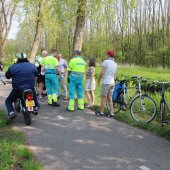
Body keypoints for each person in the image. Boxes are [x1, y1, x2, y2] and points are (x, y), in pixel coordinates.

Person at [5, 53, 39, 124]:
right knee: (33, 92)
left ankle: (11, 113)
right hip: (30, 88)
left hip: (17, 89)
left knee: (8, 101)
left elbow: (7, 76)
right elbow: (37, 73)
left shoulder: (13, 67)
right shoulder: (32, 66)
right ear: (26, 58)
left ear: (18, 59)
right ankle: (35, 107)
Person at [95, 50, 117, 117]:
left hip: (106, 82)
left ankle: (101, 112)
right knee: (109, 97)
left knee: (103, 97)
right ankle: (111, 113)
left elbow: (102, 72)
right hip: (112, 82)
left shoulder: (106, 62)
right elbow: (115, 75)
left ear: (108, 55)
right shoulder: (115, 64)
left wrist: (98, 80)